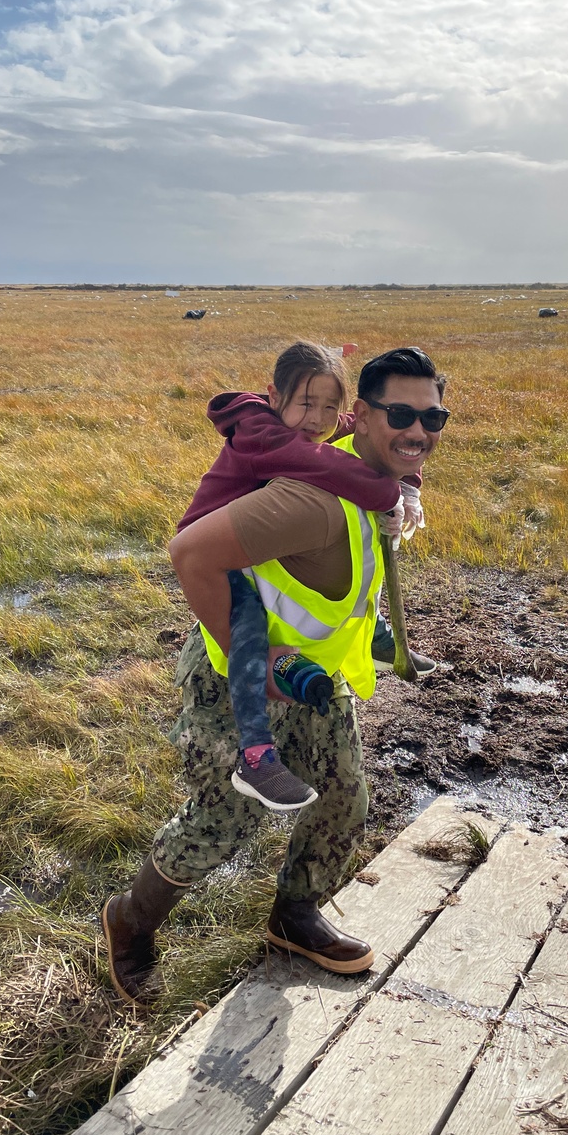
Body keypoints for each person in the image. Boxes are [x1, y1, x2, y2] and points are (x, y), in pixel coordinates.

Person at [102, 346, 449, 1003]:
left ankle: (293, 916)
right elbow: (189, 553)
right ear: (366, 418)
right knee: (223, 821)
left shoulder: (369, 471)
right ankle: (130, 921)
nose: (419, 431)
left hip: (314, 675)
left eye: (434, 417)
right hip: (243, 674)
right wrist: (249, 664)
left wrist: (408, 493)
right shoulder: (309, 500)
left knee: (345, 799)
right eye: (401, 414)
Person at [174, 341, 431, 816]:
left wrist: (406, 480)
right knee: (248, 638)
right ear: (274, 397)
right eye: (306, 405)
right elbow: (321, 461)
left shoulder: (309, 425)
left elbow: (364, 434)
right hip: (223, 562)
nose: (318, 420)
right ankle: (254, 756)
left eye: (329, 407)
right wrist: (388, 492)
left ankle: (375, 636)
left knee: (352, 553)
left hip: (256, 551)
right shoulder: (263, 435)